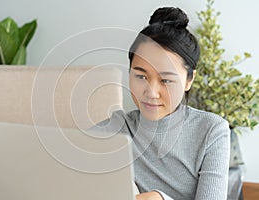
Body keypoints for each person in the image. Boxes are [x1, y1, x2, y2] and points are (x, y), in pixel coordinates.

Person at [91, 7, 230, 200]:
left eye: (165, 80)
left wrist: (161, 199)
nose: (151, 92)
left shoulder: (211, 131)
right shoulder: (116, 128)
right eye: (140, 76)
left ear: (189, 80)